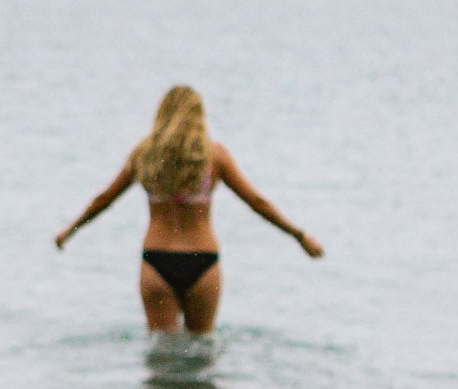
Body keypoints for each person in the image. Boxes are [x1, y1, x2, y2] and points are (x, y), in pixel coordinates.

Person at [54, 85, 322, 333]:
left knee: (162, 359)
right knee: (201, 356)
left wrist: (70, 231)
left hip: (157, 261)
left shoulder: (144, 154)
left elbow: (104, 199)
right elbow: (256, 202)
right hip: (203, 262)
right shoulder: (215, 156)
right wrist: (299, 236)